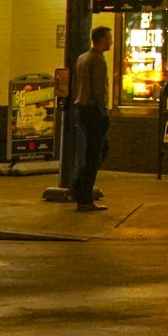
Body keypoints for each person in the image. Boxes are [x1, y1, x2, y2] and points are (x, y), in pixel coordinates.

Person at [70, 26, 113, 212]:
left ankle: (79, 188)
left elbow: (75, 85)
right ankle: (84, 196)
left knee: (97, 151)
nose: (111, 41)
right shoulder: (98, 60)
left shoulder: (82, 58)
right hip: (94, 111)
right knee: (95, 155)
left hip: (81, 109)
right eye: (109, 38)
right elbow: (98, 90)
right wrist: (104, 112)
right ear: (102, 40)